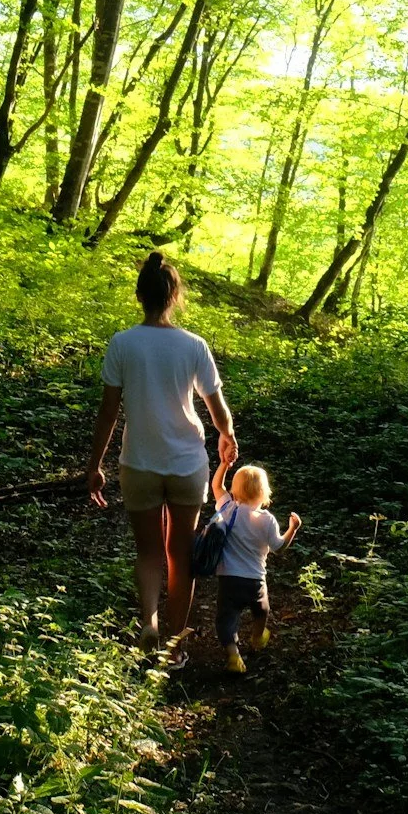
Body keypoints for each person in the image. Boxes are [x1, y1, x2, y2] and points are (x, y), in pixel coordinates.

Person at [86, 252, 237, 658]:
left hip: (138, 463)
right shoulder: (194, 346)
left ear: (140, 296)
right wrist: (227, 436)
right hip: (187, 463)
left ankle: (148, 622)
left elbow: (108, 412)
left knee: (149, 551)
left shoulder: (122, 343)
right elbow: (217, 407)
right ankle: (173, 644)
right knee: (180, 552)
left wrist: (95, 464)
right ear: (174, 296)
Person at [208, 450, 299, 674]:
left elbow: (216, 487)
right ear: (264, 492)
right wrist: (292, 529)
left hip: (229, 578)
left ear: (234, 490)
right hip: (256, 581)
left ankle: (233, 656)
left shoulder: (228, 509)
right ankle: (257, 636)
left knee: (226, 619)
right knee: (261, 610)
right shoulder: (267, 520)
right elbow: (278, 547)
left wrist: (223, 465)